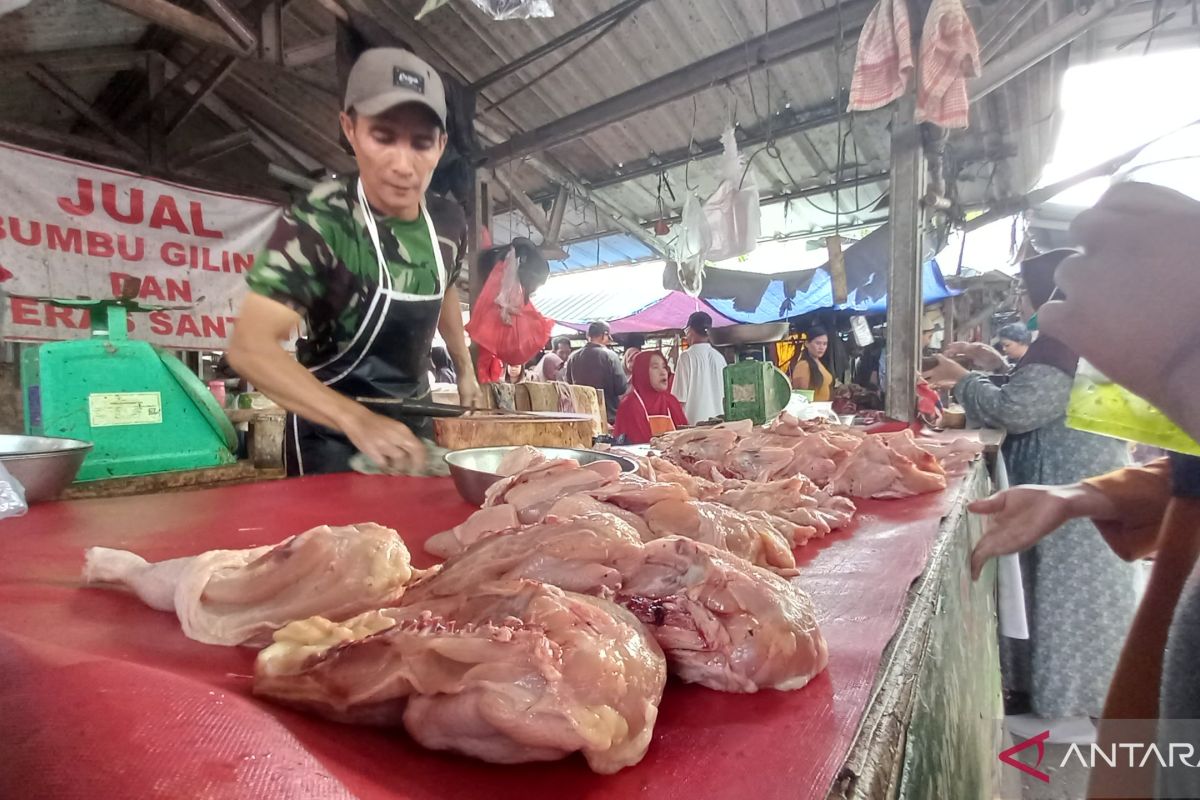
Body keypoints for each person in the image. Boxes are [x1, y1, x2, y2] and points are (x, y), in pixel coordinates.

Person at [228, 49, 479, 476]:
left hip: (411, 423)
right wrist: (356, 419)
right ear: (350, 128)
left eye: (420, 143)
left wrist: (465, 368)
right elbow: (250, 348)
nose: (403, 164)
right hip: (327, 435)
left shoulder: (449, 221)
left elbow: (446, 285)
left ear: (440, 145)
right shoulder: (320, 220)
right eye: (383, 136)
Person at [923, 249, 1137, 722]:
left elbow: (1017, 411)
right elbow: (1039, 396)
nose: (1020, 301)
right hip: (1080, 480)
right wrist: (993, 362)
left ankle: (1071, 702)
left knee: (1067, 595)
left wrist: (963, 379)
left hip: (1071, 484)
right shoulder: (1080, 338)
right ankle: (1071, 695)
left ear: (1052, 293)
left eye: (1024, 290)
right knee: (1062, 590)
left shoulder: (1064, 341)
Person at [613, 350, 688, 444]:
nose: (663, 372)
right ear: (642, 372)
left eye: (664, 367)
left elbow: (686, 437)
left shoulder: (671, 401)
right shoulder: (629, 406)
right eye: (655, 367)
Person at [564, 322, 627, 425]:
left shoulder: (573, 357)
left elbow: (568, 384)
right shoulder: (610, 356)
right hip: (608, 416)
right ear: (604, 335)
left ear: (588, 335)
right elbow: (621, 387)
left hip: (582, 415)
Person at [672, 311, 728, 425]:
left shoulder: (686, 357)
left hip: (694, 427)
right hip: (719, 425)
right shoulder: (719, 357)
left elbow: (679, 400)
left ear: (690, 331)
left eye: (686, 332)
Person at [790, 326, 835, 400]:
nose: (821, 347)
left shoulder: (819, 363)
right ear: (807, 344)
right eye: (818, 343)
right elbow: (801, 396)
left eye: (825, 344)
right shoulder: (803, 366)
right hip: (811, 409)